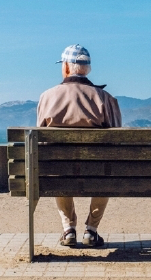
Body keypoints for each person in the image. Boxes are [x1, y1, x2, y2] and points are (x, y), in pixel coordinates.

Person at [37, 44, 122, 247]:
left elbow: (40, 142)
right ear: (88, 69)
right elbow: (118, 139)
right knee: (106, 171)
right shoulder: (105, 99)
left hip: (60, 171)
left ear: (66, 67)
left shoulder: (47, 97)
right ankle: (91, 230)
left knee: (56, 167)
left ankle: (68, 229)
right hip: (97, 170)